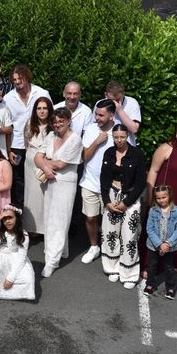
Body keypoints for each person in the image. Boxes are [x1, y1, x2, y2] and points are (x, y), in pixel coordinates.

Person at [143, 119, 177, 271]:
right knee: (160, 228)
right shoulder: (166, 148)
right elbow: (153, 171)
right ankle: (151, 265)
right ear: (176, 132)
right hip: (165, 198)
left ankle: (175, 261)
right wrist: (150, 196)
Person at [35, 107, 83, 277]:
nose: (57, 124)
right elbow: (36, 157)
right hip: (50, 182)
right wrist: (47, 168)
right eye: (55, 122)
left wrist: (45, 163)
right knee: (49, 218)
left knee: (60, 220)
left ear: (69, 121)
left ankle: (51, 260)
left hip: (65, 184)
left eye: (61, 121)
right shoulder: (50, 136)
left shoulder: (75, 140)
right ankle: (61, 252)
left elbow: (62, 164)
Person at [99, 124, 146, 289]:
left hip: (130, 198)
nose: (119, 140)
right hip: (111, 195)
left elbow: (141, 183)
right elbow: (103, 179)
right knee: (110, 233)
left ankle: (130, 273)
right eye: (116, 137)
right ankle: (112, 268)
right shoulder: (108, 153)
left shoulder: (137, 154)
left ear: (128, 137)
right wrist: (107, 201)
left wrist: (126, 203)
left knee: (129, 235)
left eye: (122, 137)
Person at [3, 64, 51, 206]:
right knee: (18, 181)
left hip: (39, 144)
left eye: (20, 78)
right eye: (14, 80)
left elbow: (50, 118)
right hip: (16, 144)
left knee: (38, 178)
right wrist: (9, 150)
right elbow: (8, 125)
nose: (17, 82)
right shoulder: (8, 98)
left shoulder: (42, 93)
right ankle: (20, 216)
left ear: (27, 77)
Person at [79, 99, 116, 264]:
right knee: (90, 218)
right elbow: (84, 156)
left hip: (111, 186)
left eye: (101, 115)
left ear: (112, 115)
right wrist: (97, 142)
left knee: (111, 221)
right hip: (89, 183)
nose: (97, 118)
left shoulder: (120, 132)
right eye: (96, 114)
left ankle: (111, 251)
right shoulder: (91, 129)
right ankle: (94, 247)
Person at [0, 205, 35, 300]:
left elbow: (21, 257)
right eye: (4, 218)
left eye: (10, 218)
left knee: (28, 279)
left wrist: (11, 278)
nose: (7, 221)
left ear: (17, 218)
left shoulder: (24, 235)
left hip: (15, 258)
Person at [143, 186, 177, 300]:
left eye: (164, 197)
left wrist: (168, 243)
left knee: (168, 267)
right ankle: (150, 284)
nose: (161, 200)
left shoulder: (176, 210)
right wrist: (160, 244)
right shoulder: (153, 210)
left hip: (169, 247)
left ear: (169, 196)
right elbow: (149, 229)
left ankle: (171, 286)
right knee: (152, 266)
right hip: (154, 245)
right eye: (158, 198)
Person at [22, 97, 53, 235]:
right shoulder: (30, 123)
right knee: (32, 195)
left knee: (46, 195)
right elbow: (26, 142)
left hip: (47, 159)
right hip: (31, 161)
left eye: (44, 108)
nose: (42, 111)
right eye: (39, 108)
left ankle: (45, 228)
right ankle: (32, 228)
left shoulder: (54, 124)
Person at [95, 80, 141, 145]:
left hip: (126, 147)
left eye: (118, 99)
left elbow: (134, 129)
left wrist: (120, 110)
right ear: (106, 95)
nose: (116, 103)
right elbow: (95, 126)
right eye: (113, 100)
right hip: (104, 145)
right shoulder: (100, 104)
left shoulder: (132, 103)